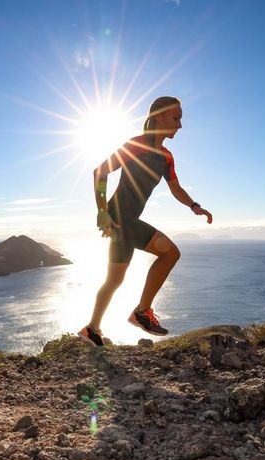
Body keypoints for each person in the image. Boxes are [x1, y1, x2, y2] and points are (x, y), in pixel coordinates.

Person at [78, 96, 213, 347]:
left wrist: (194, 206)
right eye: (176, 117)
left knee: (114, 280)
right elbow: (100, 171)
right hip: (121, 220)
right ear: (158, 116)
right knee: (170, 254)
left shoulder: (166, 156)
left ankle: (92, 330)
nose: (180, 125)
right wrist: (102, 212)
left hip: (125, 223)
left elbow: (175, 187)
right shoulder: (136, 145)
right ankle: (140, 313)